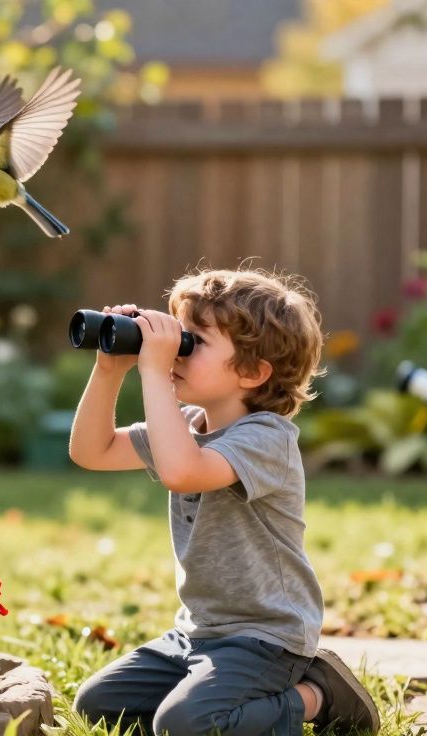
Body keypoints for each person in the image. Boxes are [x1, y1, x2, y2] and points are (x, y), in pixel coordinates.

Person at [68, 268, 379, 736]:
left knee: (185, 726)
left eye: (192, 341)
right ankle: (219, 688)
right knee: (96, 703)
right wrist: (109, 369)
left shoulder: (266, 437)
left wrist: (153, 369)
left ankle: (318, 694)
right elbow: (91, 452)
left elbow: (182, 471)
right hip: (197, 632)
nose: (174, 348)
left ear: (252, 372)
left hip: (265, 637)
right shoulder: (187, 424)